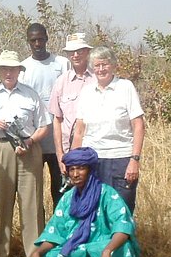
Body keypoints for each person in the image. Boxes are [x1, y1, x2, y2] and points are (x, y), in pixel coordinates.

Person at [22, 147, 147, 257]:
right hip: (77, 247)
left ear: (91, 169)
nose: (75, 174)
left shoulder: (107, 194)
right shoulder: (68, 198)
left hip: (101, 246)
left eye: (80, 168)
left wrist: (107, 250)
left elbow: (123, 228)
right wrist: (37, 252)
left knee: (122, 249)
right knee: (47, 255)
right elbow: (55, 232)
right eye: (72, 169)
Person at [0, 50, 50, 257]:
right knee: (3, 202)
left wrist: (29, 142)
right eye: (4, 68)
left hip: (28, 151)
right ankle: (2, 253)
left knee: (32, 203)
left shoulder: (31, 95)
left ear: (20, 71)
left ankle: (33, 255)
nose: (8, 72)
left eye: (13, 68)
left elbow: (44, 126)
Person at [71, 47, 144, 214]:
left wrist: (134, 160)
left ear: (113, 66)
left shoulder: (126, 87)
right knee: (93, 210)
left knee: (121, 211)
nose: (101, 69)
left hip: (121, 160)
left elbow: (138, 125)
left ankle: (122, 241)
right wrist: (74, 162)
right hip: (93, 160)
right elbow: (80, 131)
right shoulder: (87, 91)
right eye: (97, 65)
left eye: (105, 64)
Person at [19, 23, 70, 209]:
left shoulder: (62, 63)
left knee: (61, 188)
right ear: (28, 42)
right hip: (34, 140)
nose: (38, 43)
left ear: (47, 38)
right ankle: (39, 231)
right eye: (33, 40)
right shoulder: (23, 68)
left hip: (58, 140)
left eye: (41, 39)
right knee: (33, 190)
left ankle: (61, 230)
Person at [49, 33, 97, 176]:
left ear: (88, 52)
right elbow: (57, 120)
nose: (75, 55)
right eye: (71, 52)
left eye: (80, 51)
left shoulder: (97, 79)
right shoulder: (61, 82)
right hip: (69, 153)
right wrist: (59, 154)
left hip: (95, 150)